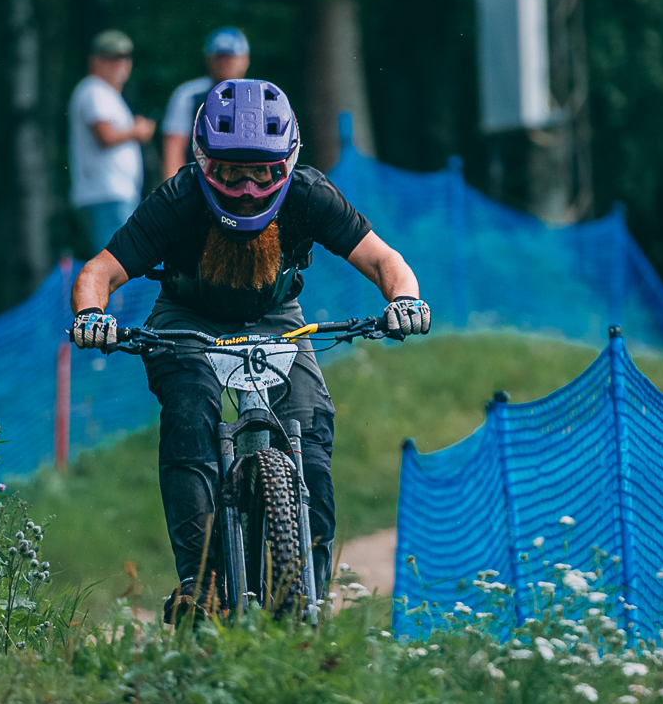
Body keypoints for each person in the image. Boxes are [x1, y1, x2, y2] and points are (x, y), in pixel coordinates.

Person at [67, 79, 431, 618]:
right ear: (201, 161)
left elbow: (384, 260)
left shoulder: (309, 193)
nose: (245, 188)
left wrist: (405, 300)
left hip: (277, 317)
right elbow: (99, 271)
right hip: (186, 320)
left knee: (311, 429)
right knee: (190, 411)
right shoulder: (178, 200)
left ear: (288, 163)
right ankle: (200, 584)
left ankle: (309, 592)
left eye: (262, 172)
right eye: (230, 171)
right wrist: (91, 316)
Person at [67, 28, 155, 253]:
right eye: (111, 57)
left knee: (119, 260)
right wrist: (136, 131)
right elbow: (104, 135)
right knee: (117, 261)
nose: (119, 63)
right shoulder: (94, 90)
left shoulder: (107, 94)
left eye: (124, 56)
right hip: (105, 194)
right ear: (94, 60)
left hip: (111, 194)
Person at [159, 26, 251, 178]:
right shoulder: (189, 95)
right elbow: (174, 148)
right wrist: (175, 187)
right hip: (199, 183)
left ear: (245, 59)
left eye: (230, 57)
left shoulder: (258, 96)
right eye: (220, 57)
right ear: (208, 59)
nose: (225, 63)